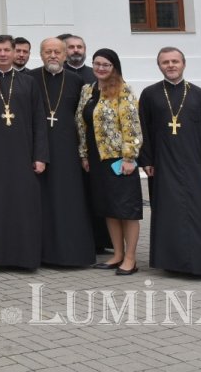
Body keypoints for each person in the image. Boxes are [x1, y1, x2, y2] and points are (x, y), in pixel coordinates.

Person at [138, 48, 201, 277]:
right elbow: (143, 129)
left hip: (194, 162)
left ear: (183, 64)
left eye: (175, 61)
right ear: (159, 66)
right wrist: (146, 160)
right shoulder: (150, 94)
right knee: (170, 212)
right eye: (165, 62)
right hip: (163, 163)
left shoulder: (199, 94)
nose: (170, 65)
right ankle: (173, 262)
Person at [0, 35, 47, 270]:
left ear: (14, 52)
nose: (3, 54)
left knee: (22, 206)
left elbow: (39, 121)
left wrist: (40, 156)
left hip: (23, 154)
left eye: (7, 50)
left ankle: (24, 258)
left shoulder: (28, 82)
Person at [29, 38, 96, 267]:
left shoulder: (76, 81)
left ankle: (72, 253)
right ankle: (43, 253)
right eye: (48, 51)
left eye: (57, 52)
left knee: (69, 200)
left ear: (65, 55)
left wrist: (84, 152)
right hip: (39, 148)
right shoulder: (31, 78)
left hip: (68, 149)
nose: (53, 56)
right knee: (43, 201)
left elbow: (82, 118)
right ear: (41, 55)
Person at [76, 48, 143, 275]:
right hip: (97, 159)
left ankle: (131, 258)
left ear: (114, 67)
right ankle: (117, 254)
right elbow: (81, 124)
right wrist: (84, 154)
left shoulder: (124, 90)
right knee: (109, 208)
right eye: (97, 64)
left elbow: (132, 126)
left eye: (106, 64)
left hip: (119, 159)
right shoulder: (87, 90)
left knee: (127, 210)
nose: (101, 68)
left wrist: (129, 157)